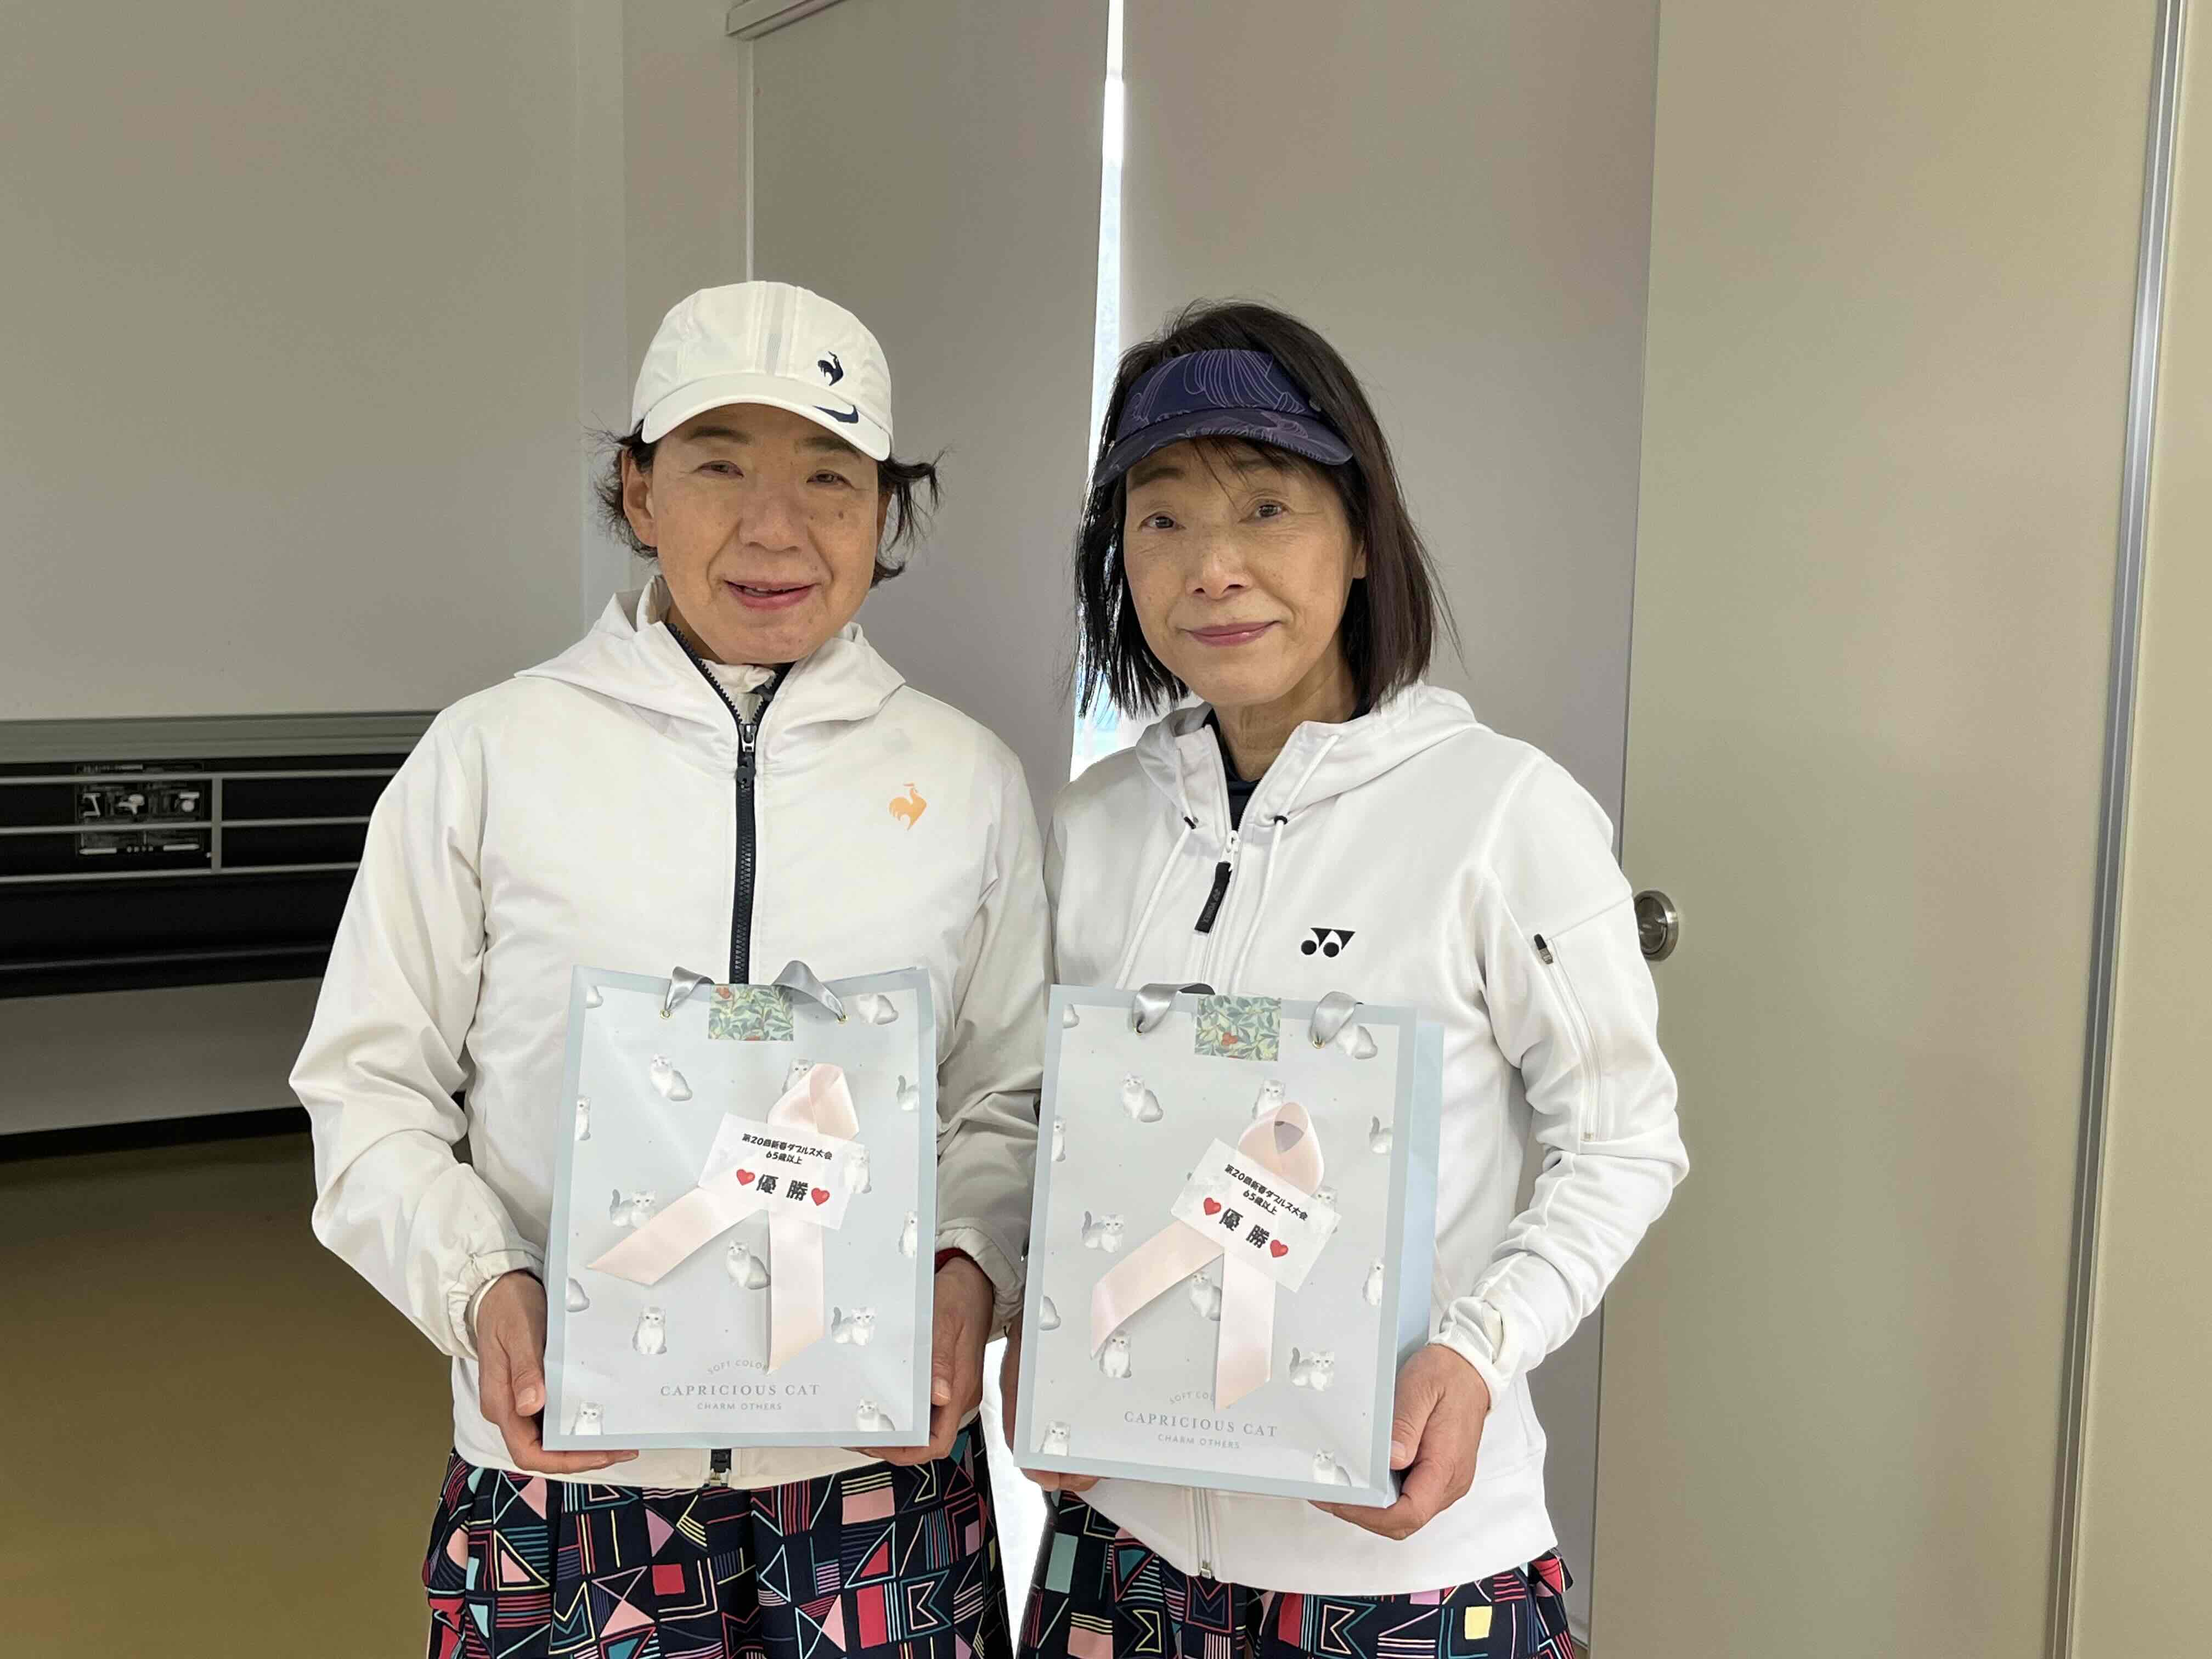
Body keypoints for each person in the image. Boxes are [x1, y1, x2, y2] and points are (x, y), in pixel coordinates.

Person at [295, 282, 1045, 1657]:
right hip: (566, 1468)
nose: (775, 527)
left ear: (883, 513)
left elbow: (1010, 1093)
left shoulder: (967, 783)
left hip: (875, 1478)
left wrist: (968, 1265)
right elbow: (368, 1087)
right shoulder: (491, 756)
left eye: (830, 477)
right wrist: (481, 1285)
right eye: (718, 468)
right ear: (639, 492)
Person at [1003, 302, 1688, 1658]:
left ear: (1362, 534)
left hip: (1402, 1562)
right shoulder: (1095, 825)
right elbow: (1045, 1125)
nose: (1214, 567)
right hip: (1121, 1551)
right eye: (1162, 518)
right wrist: (1039, 1316)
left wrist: (1479, 1352)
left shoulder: (1502, 813)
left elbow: (1624, 1140)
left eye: (1267, 508)